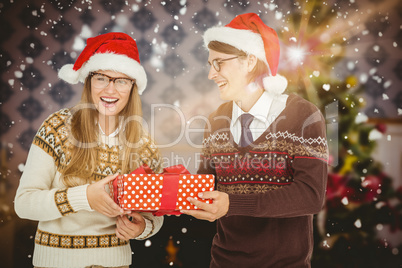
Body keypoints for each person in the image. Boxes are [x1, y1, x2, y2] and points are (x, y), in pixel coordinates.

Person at [181, 13, 328, 267]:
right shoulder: (215, 121)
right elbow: (207, 188)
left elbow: (311, 195)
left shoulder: (303, 115)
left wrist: (232, 204)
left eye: (218, 63)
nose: (210, 74)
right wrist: (169, 187)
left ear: (250, 61)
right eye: (209, 64)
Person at [14, 32, 163, 268]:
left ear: (133, 87)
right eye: (101, 78)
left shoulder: (143, 142)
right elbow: (24, 204)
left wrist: (142, 228)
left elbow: (155, 213)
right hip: (57, 263)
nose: (110, 90)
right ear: (88, 81)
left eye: (122, 80)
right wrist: (84, 198)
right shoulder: (57, 127)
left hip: (116, 263)